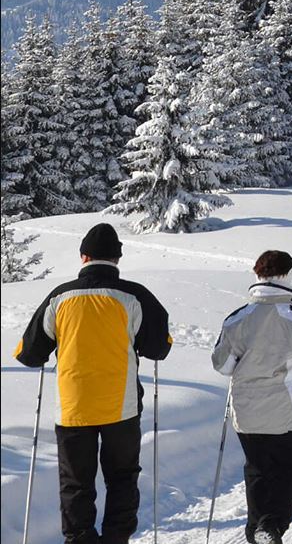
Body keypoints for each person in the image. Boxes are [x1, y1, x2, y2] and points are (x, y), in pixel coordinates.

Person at [13, 223, 172, 544]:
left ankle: (80, 539)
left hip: (73, 409)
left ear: (83, 256)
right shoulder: (135, 296)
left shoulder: (59, 297)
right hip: (121, 408)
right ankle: (116, 539)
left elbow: (28, 353)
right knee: (122, 479)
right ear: (117, 258)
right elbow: (159, 348)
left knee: (75, 483)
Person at [212, 250, 292, 544]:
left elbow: (222, 364)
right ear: (288, 275)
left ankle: (257, 530)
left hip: (246, 410)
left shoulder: (236, 318)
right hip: (286, 409)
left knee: (257, 470)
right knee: (288, 470)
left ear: (257, 276)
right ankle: (271, 526)